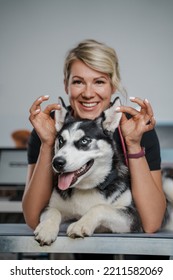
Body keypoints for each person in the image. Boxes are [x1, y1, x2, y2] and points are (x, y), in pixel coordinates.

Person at [22, 39, 166, 259]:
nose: (88, 93)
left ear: (113, 85)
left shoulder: (136, 127)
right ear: (66, 85)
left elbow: (151, 222)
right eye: (78, 82)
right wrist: (48, 143)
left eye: (99, 82)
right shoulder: (48, 127)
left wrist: (134, 144)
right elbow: (33, 218)